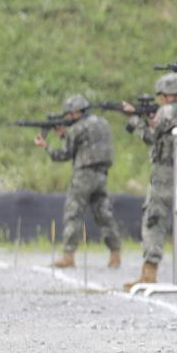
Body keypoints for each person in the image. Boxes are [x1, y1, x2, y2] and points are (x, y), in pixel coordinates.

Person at [122, 74, 177, 289]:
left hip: (164, 173)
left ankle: (149, 273)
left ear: (170, 94)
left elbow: (150, 136)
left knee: (153, 219)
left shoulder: (166, 112)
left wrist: (135, 121)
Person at [34, 94, 125, 269]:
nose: (68, 118)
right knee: (104, 214)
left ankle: (68, 256)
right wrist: (65, 135)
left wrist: (46, 147)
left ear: (76, 112)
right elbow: (87, 144)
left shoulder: (77, 128)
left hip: (84, 175)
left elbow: (64, 154)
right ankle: (115, 254)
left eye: (69, 115)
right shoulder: (102, 123)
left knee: (73, 212)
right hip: (102, 174)